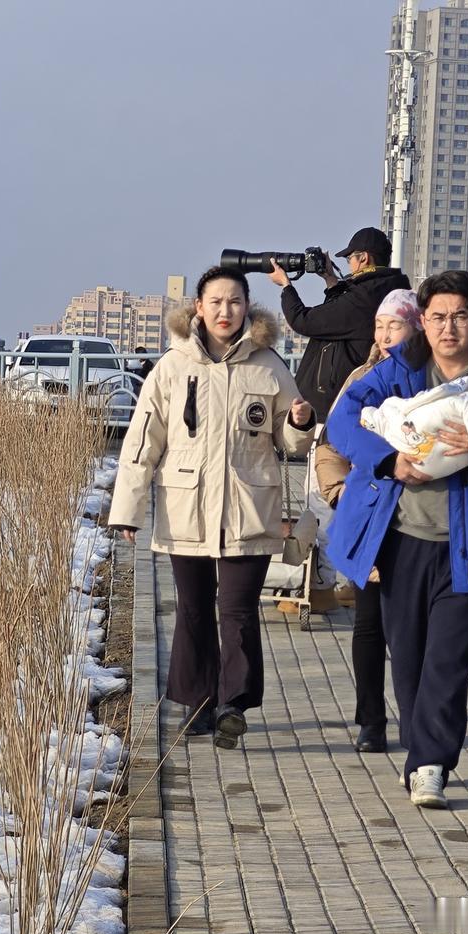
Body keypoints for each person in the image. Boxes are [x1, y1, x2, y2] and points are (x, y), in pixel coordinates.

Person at [325, 270, 468, 809]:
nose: (449, 327)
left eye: (460, 315)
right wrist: (389, 460)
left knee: (449, 659)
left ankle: (429, 765)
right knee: (408, 657)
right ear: (423, 321)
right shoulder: (399, 368)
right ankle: (421, 750)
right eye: (438, 316)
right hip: (401, 539)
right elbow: (343, 420)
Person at [109, 266, 316, 750]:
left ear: (248, 307)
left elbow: (290, 441)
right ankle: (197, 704)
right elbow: (142, 443)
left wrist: (300, 422)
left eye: (235, 301)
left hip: (248, 506)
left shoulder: (268, 365)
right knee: (194, 609)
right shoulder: (172, 366)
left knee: (238, 609)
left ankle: (232, 706)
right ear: (198, 308)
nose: (226, 311)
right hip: (187, 506)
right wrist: (127, 510)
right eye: (216, 302)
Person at [312, 289, 422, 755]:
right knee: (369, 623)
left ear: (416, 327)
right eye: (379, 325)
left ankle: (417, 720)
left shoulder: (432, 379)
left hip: (419, 519)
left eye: (395, 325)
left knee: (412, 628)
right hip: (370, 514)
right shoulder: (363, 378)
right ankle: (371, 721)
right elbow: (329, 445)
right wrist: (339, 493)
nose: (384, 334)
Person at [266, 226, 411, 424]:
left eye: (349, 258)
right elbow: (341, 317)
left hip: (334, 409)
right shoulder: (385, 290)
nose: (349, 264)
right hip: (353, 402)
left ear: (363, 258)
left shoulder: (364, 297)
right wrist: (330, 279)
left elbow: (303, 321)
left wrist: (285, 285)